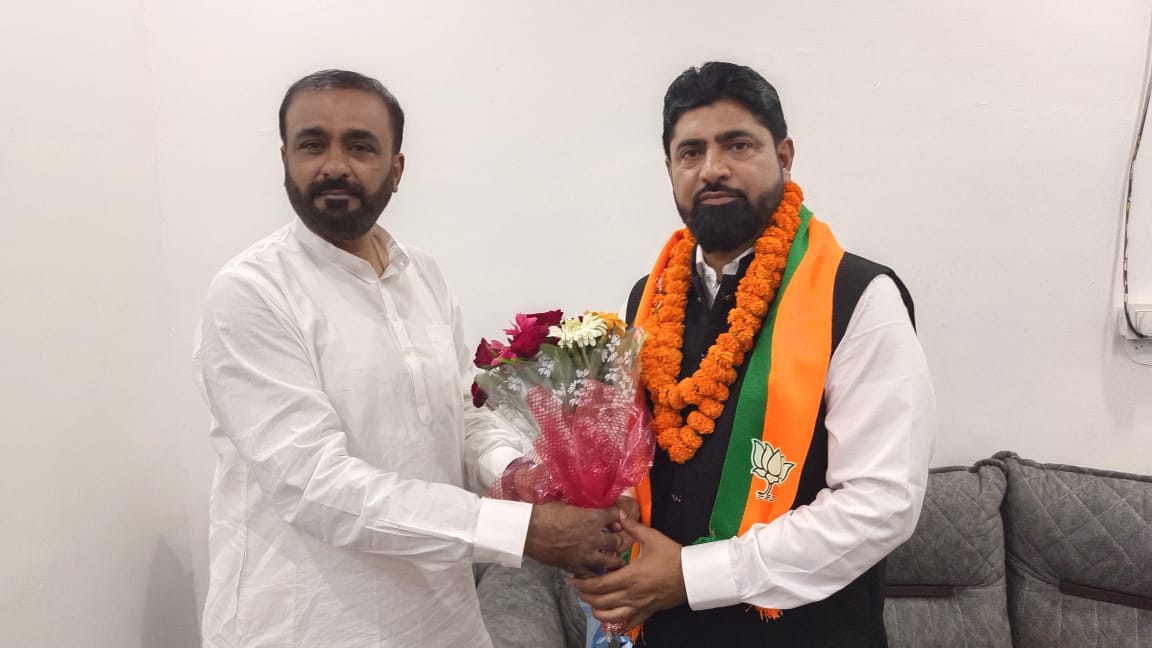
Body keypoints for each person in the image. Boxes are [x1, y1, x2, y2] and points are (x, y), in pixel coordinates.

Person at [193, 69, 626, 647]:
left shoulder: (421, 274)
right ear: (285, 159)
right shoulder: (251, 292)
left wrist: (518, 474)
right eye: (313, 144)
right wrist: (519, 529)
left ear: (396, 169)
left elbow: (463, 411)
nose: (334, 165)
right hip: (312, 625)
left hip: (442, 618)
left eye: (360, 146)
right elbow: (316, 486)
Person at [573, 62, 936, 647]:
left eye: (737, 144)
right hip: (661, 631)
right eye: (690, 152)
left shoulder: (858, 296)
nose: (712, 168)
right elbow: (629, 457)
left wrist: (692, 575)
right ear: (670, 170)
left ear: (784, 156)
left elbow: (881, 501)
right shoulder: (646, 299)